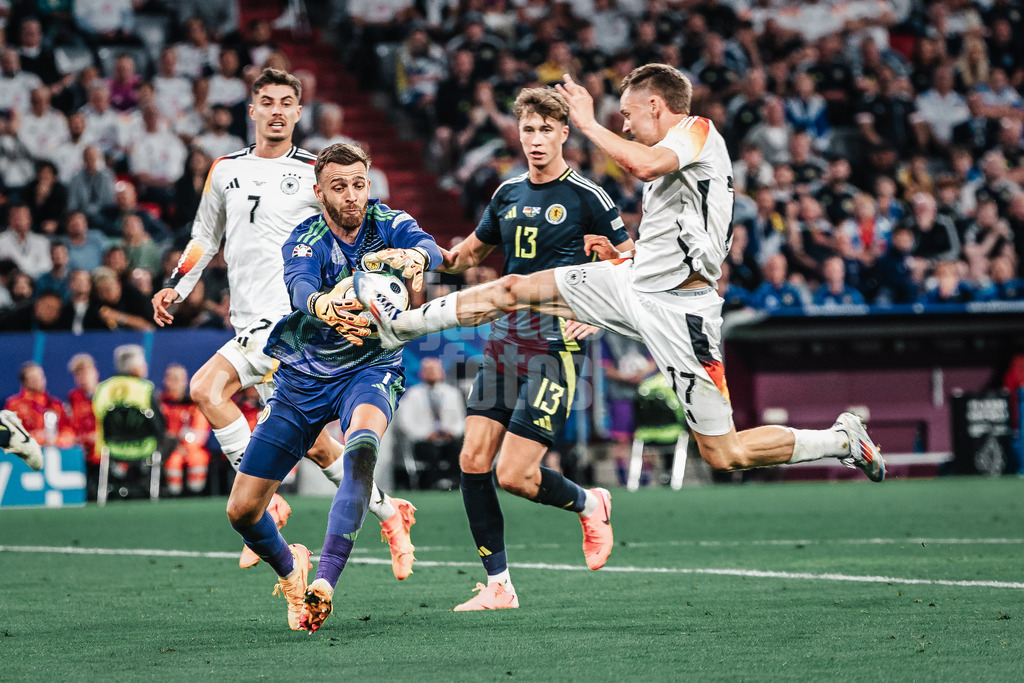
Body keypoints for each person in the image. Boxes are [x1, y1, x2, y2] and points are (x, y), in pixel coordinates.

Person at [356, 65, 885, 505]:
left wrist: (586, 121)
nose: (626, 127)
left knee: (725, 453)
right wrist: (624, 252)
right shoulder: (665, 165)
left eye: (629, 115)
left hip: (683, 312)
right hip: (631, 282)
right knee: (513, 287)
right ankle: (397, 329)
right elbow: (672, 226)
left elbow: (643, 163)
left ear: (657, 105)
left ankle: (840, 439)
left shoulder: (698, 132)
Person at [149, 68, 417, 577]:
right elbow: (205, 236)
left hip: (292, 324)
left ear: (298, 111)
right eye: (266, 101)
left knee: (207, 388)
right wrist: (177, 286)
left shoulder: (318, 172)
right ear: (252, 111)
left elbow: (359, 217)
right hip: (247, 319)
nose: (276, 110)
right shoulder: (225, 170)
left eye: (286, 102)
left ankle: (269, 505)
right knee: (315, 445)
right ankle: (388, 510)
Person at [388, 87, 633, 611]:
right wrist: (416, 255)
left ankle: (590, 502)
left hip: (554, 347)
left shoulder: (589, 196)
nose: (537, 140)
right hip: (503, 343)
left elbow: (632, 262)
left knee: (514, 475)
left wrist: (599, 313)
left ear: (565, 133)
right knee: (472, 460)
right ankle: (498, 584)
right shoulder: (507, 194)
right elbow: (461, 258)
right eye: (528, 130)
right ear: (517, 134)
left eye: (547, 130)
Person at [225, 143, 443, 634]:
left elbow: (434, 250)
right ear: (319, 190)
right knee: (241, 511)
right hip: (303, 376)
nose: (351, 196)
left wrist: (413, 255)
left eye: (359, 184)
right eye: (339, 186)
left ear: (370, 184)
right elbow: (299, 285)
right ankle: (291, 568)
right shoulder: (306, 237)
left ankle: (325, 581)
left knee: (360, 452)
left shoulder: (389, 224)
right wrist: (323, 306)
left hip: (371, 367)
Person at [394, 358, 466, 490]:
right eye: (428, 370)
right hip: (424, 440)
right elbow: (406, 423)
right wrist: (426, 435)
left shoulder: (452, 394)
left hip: (448, 438)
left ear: (442, 372)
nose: (432, 373)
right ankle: (435, 482)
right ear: (422, 374)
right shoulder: (413, 394)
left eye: (435, 370)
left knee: (457, 448)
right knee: (429, 451)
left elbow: (461, 420)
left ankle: (453, 481)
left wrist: (452, 432)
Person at [159, 364, 211, 496]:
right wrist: (174, 446)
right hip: (168, 448)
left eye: (179, 379)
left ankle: (196, 495)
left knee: (197, 457)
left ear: (186, 381)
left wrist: (185, 446)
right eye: (171, 378)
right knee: (173, 460)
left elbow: (200, 432)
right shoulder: (159, 403)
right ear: (165, 380)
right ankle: (172, 495)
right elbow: (158, 430)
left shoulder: (194, 404)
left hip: (191, 448)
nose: (175, 383)